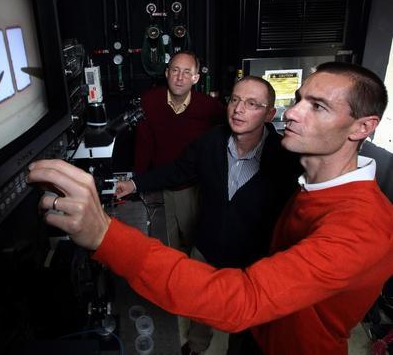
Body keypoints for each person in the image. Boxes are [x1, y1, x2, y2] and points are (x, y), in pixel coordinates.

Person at [27, 62, 393, 355]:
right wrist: (135, 183)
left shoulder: (361, 227)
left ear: (362, 127)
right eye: (298, 99)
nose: (293, 113)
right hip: (258, 331)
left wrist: (105, 234)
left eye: (318, 106)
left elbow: (243, 300)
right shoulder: (313, 185)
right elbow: (179, 169)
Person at [116, 76, 302, 354]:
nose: (238, 109)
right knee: (199, 308)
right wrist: (134, 183)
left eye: (252, 104)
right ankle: (196, 345)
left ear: (269, 114)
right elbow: (178, 169)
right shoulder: (211, 141)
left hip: (252, 261)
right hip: (206, 248)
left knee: (244, 326)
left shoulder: (284, 157)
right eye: (235, 100)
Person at [134, 50, 225, 253]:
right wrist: (138, 183)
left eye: (186, 72)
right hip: (158, 185)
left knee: (195, 245)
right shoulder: (149, 102)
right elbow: (143, 145)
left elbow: (222, 144)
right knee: (165, 247)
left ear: (196, 78)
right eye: (175, 70)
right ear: (166, 73)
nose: (179, 77)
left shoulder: (210, 108)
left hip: (192, 188)